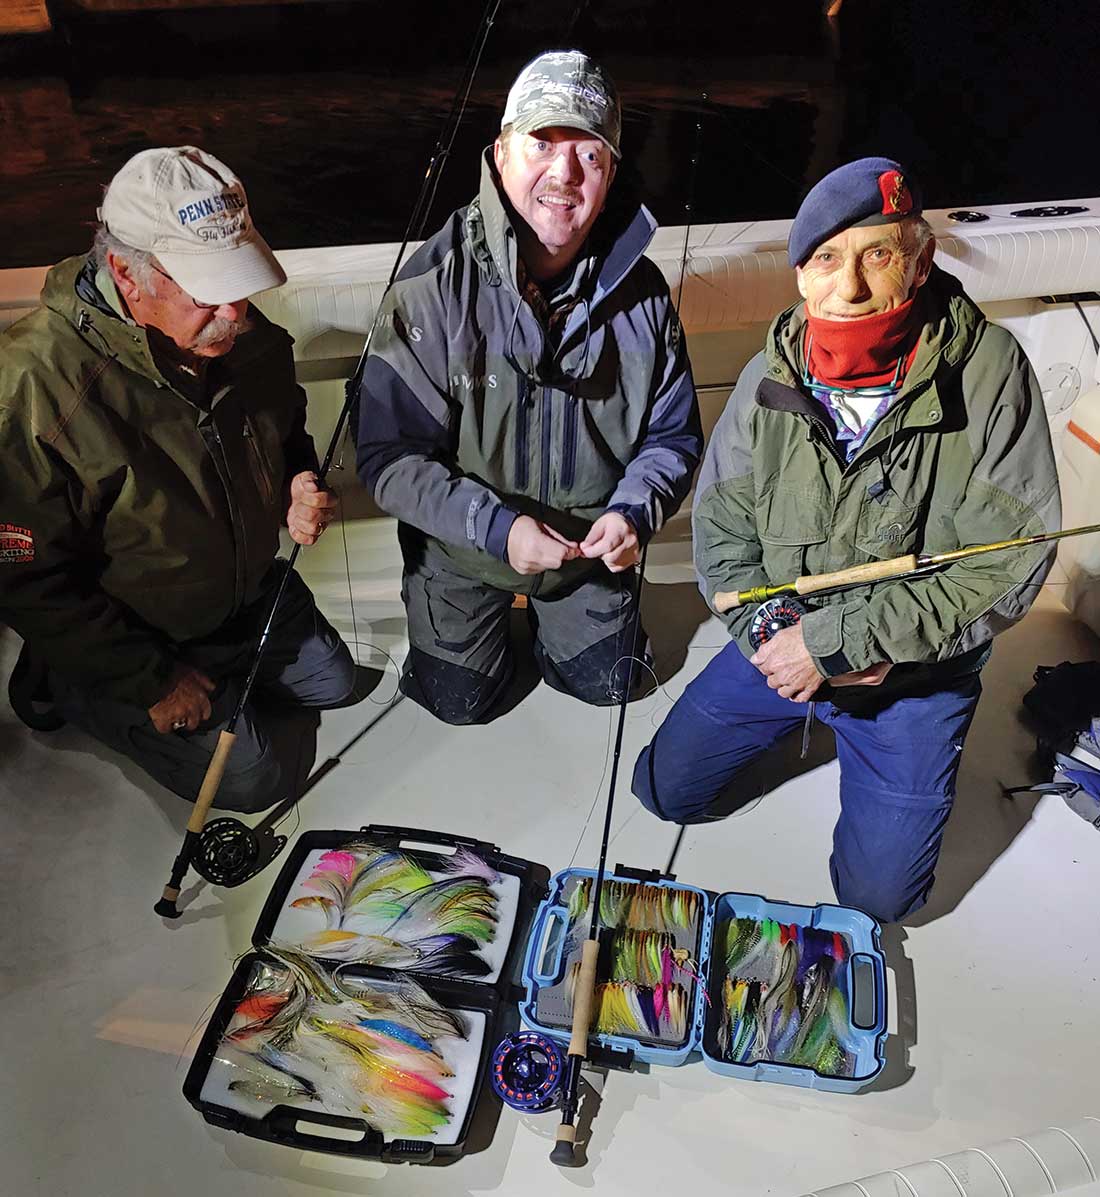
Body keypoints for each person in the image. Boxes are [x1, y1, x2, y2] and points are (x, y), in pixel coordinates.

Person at [631, 157, 1060, 922]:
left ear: (921, 260)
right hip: (779, 646)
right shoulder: (771, 372)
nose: (851, 286)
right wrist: (767, 631)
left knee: (878, 900)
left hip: (913, 683)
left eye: (878, 255)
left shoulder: (991, 371)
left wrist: (836, 645)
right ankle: (802, 710)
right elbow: (724, 530)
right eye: (827, 259)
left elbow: (1008, 562)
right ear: (800, 275)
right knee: (662, 793)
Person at [1, 146, 356, 812]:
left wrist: (298, 483)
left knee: (335, 681)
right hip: (139, 630)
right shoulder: (31, 387)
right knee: (255, 777)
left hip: (243, 595)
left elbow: (286, 434)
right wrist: (153, 679)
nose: (238, 314)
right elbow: (24, 578)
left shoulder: (244, 340)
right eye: (207, 290)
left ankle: (220, 668)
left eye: (240, 282)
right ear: (126, 275)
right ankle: (68, 681)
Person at [357, 50, 702, 724]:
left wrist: (633, 512)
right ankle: (462, 611)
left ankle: (558, 621)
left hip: (585, 554)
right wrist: (496, 529)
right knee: (456, 702)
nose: (564, 173)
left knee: (613, 684)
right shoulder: (429, 289)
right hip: (466, 550)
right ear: (501, 154)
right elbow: (389, 460)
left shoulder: (647, 297)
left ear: (611, 172)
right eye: (542, 143)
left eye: (590, 153)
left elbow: (672, 436)